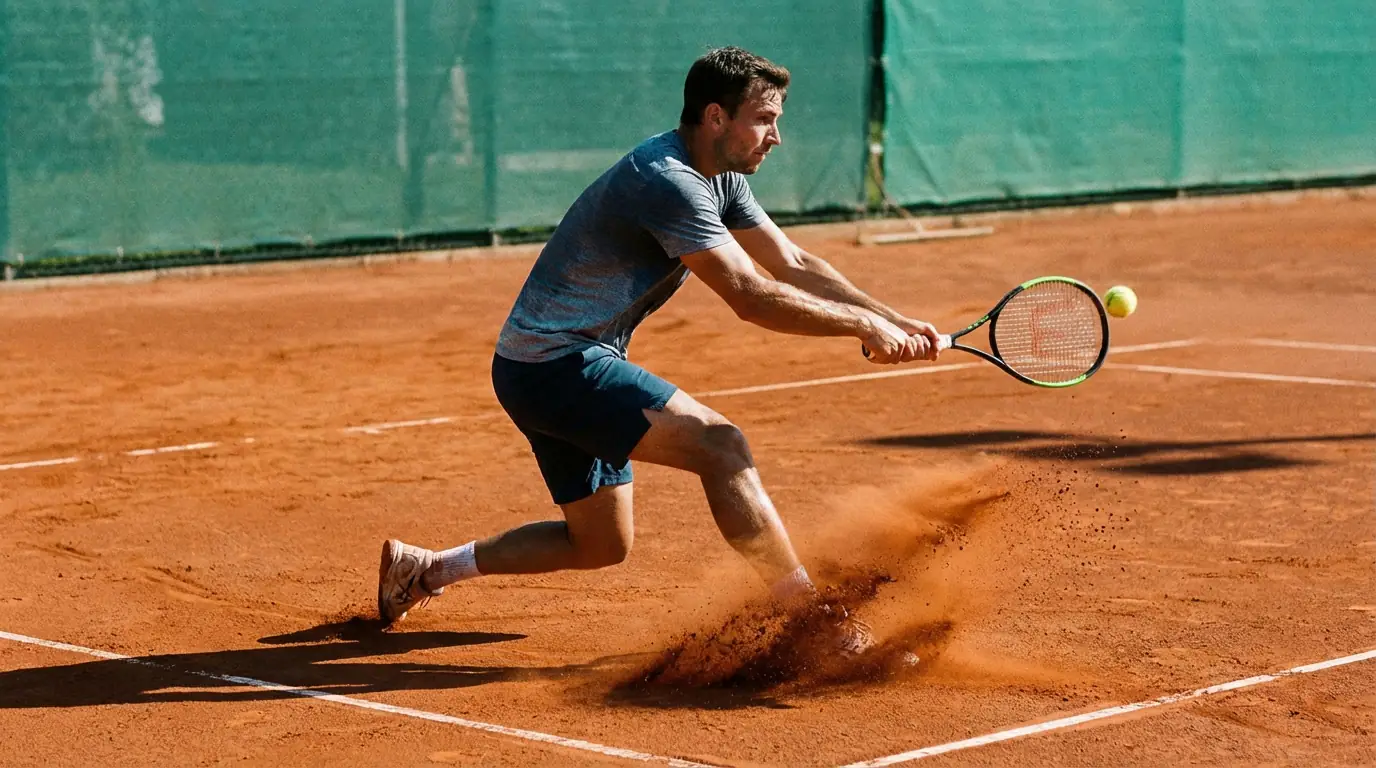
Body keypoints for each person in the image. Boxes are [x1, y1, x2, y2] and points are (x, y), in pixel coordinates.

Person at [378, 47, 941, 657]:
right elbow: (751, 295)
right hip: (557, 365)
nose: (776, 137)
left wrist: (890, 317)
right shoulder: (668, 182)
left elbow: (793, 262)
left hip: (543, 365)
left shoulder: (719, 177)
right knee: (721, 446)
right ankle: (811, 623)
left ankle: (425, 570)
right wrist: (861, 326)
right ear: (716, 117)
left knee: (598, 545)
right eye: (764, 119)